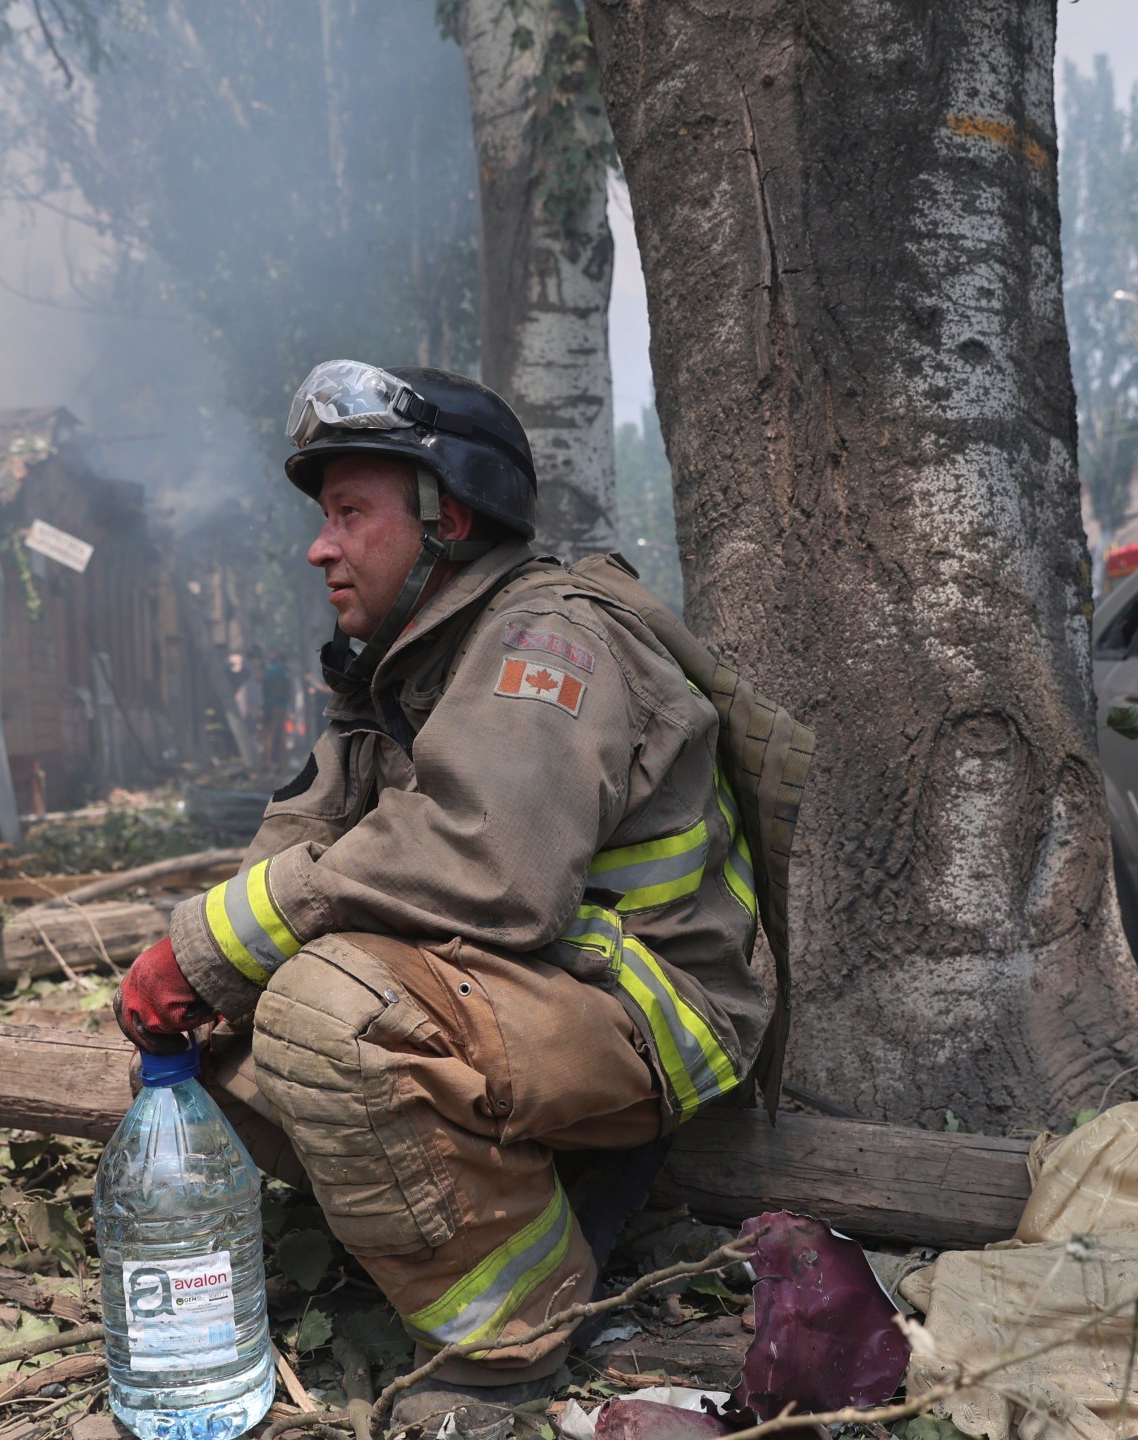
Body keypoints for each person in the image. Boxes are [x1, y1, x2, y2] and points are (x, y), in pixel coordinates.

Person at [116, 361, 770, 1435]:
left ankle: (513, 1336)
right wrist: (193, 972)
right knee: (220, 1048)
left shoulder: (547, 639)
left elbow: (484, 864)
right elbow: (301, 845)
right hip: (530, 993)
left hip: (651, 1005)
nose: (321, 547)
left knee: (331, 1013)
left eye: (349, 514)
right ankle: (462, 1231)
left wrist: (209, 949)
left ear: (447, 514)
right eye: (323, 519)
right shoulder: (402, 667)